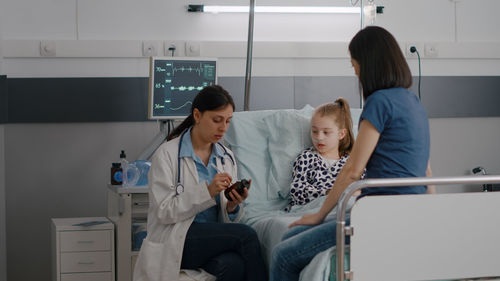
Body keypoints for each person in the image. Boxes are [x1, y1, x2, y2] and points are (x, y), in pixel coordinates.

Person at [270, 26, 432, 281]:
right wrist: (432, 213)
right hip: (405, 210)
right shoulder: (414, 102)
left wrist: (320, 214)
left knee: (283, 254)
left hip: (380, 215)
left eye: (353, 63)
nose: (354, 70)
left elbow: (353, 171)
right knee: (289, 236)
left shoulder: (379, 102)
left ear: (367, 63)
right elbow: (426, 170)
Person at [133, 85, 267, 281]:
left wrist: (232, 206)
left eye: (228, 121)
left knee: (232, 266)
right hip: (178, 237)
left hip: (209, 241)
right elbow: (164, 211)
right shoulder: (167, 154)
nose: (223, 128)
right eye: (217, 120)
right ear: (197, 115)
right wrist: (207, 190)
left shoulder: (225, 157)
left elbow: (226, 220)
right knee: (246, 236)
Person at [285, 98, 360, 212]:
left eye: (326, 132)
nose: (319, 137)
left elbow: (364, 189)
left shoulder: (352, 162)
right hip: (312, 210)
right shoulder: (307, 158)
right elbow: (297, 191)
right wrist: (328, 192)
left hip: (345, 210)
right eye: (314, 131)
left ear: (341, 134)